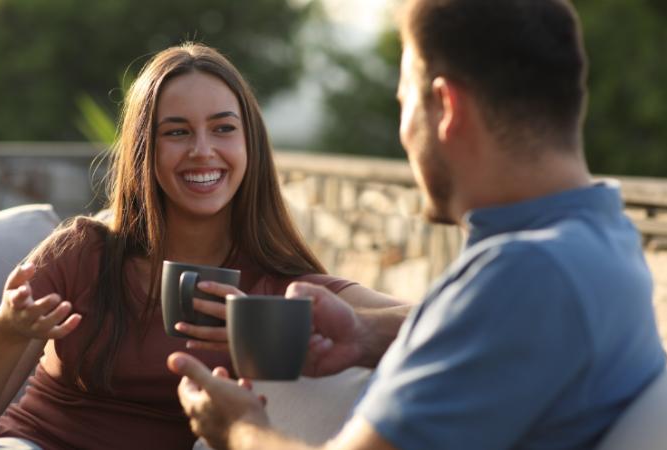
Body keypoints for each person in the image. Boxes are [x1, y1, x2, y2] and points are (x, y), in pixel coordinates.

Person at [168, 1, 667, 449]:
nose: (403, 128)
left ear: (445, 107)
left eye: (403, 100)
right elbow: (501, 343)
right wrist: (364, 335)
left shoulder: (529, 271)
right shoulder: (600, 233)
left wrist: (238, 430)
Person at [0, 43, 407, 450]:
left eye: (223, 128)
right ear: (144, 151)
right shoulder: (83, 252)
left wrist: (346, 328)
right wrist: (8, 329)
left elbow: (439, 322)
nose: (202, 150)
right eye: (177, 132)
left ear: (249, 145)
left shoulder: (279, 286)